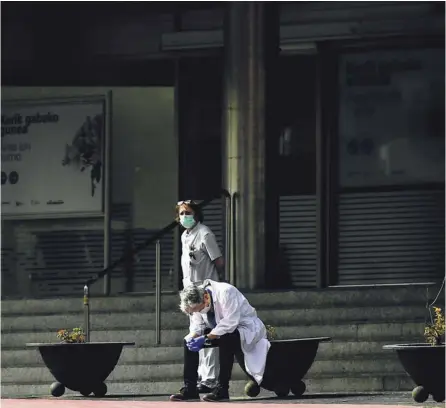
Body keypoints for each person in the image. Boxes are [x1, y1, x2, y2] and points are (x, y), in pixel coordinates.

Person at [169, 280, 271, 402]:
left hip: (245, 329)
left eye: (198, 309)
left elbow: (230, 323)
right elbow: (198, 325)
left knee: (226, 338)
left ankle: (222, 389)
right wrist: (193, 337)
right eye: (194, 311)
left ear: (206, 297)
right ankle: (190, 389)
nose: (197, 312)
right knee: (188, 341)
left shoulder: (226, 292)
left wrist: (205, 338)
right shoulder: (197, 302)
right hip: (219, 330)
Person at [176, 200, 225, 393]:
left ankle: (210, 379)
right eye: (181, 213)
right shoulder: (184, 236)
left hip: (205, 290)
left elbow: (219, 261)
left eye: (188, 213)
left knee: (210, 333)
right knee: (195, 333)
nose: (184, 217)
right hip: (190, 292)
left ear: (196, 214)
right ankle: (200, 377)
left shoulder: (205, 234)